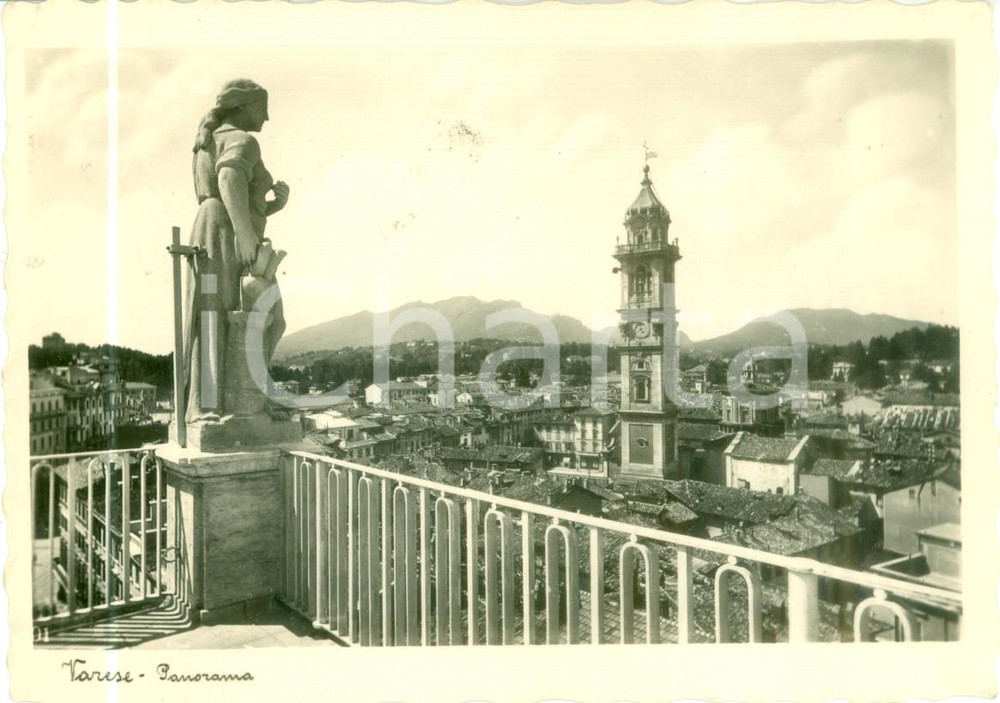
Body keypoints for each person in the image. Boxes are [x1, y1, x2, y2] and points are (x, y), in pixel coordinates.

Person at [183, 79, 290, 422]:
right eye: (263, 108)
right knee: (221, 318)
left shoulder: (208, 140)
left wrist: (272, 207)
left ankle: (239, 399)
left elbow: (230, 195)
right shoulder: (243, 140)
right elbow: (228, 181)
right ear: (243, 107)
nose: (268, 117)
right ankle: (209, 406)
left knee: (225, 318)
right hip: (224, 238)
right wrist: (245, 237)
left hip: (214, 231)